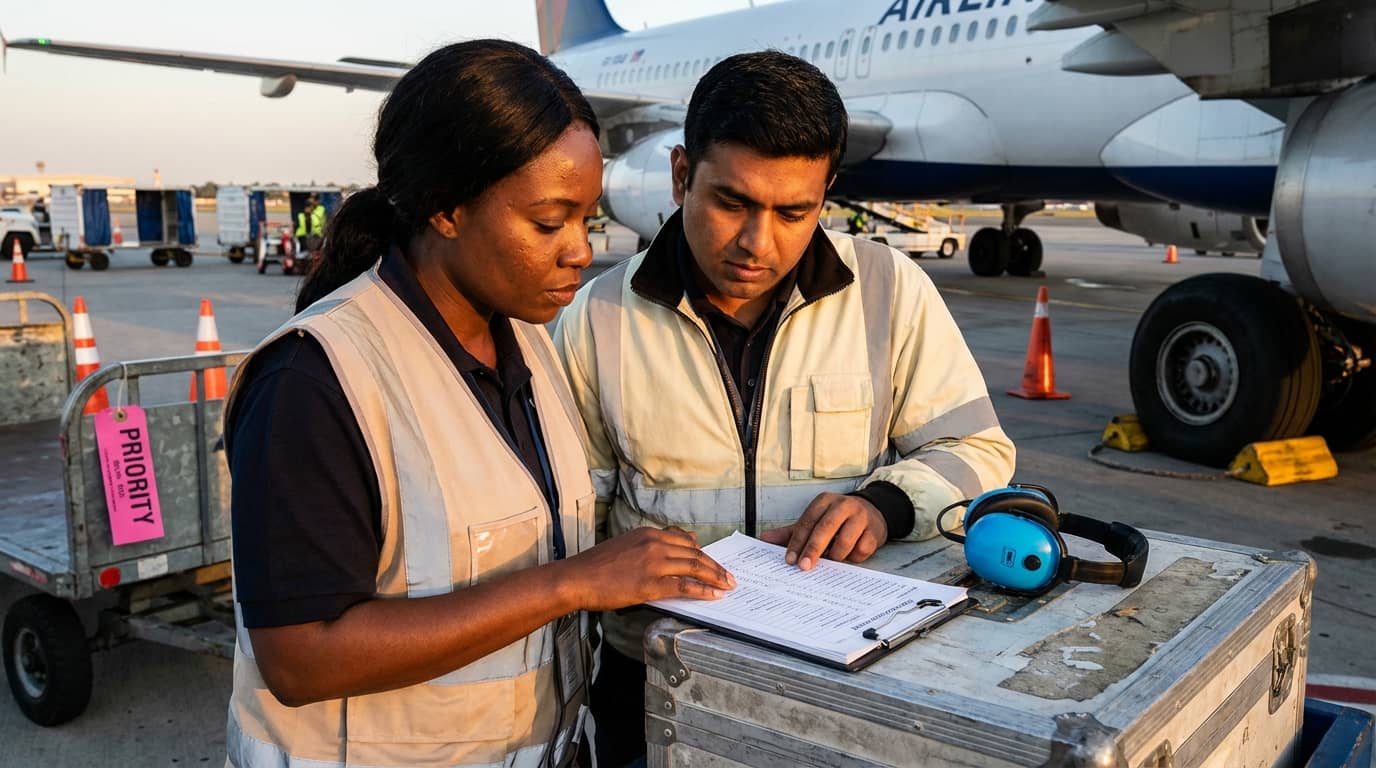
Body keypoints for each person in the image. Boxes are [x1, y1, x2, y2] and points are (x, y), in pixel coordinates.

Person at [223, 39, 734, 768]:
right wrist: (571, 584)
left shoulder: (531, 349)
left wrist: (680, 563)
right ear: (447, 209)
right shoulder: (315, 380)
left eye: (588, 219)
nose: (581, 251)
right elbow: (301, 660)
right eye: (549, 222)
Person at [554, 51, 1016, 767]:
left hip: (832, 679)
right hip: (651, 681)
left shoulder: (889, 290)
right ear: (681, 176)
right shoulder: (597, 318)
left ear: (827, 193)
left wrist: (886, 505)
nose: (755, 243)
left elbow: (979, 451)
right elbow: (566, 523)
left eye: (793, 212)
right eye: (730, 202)